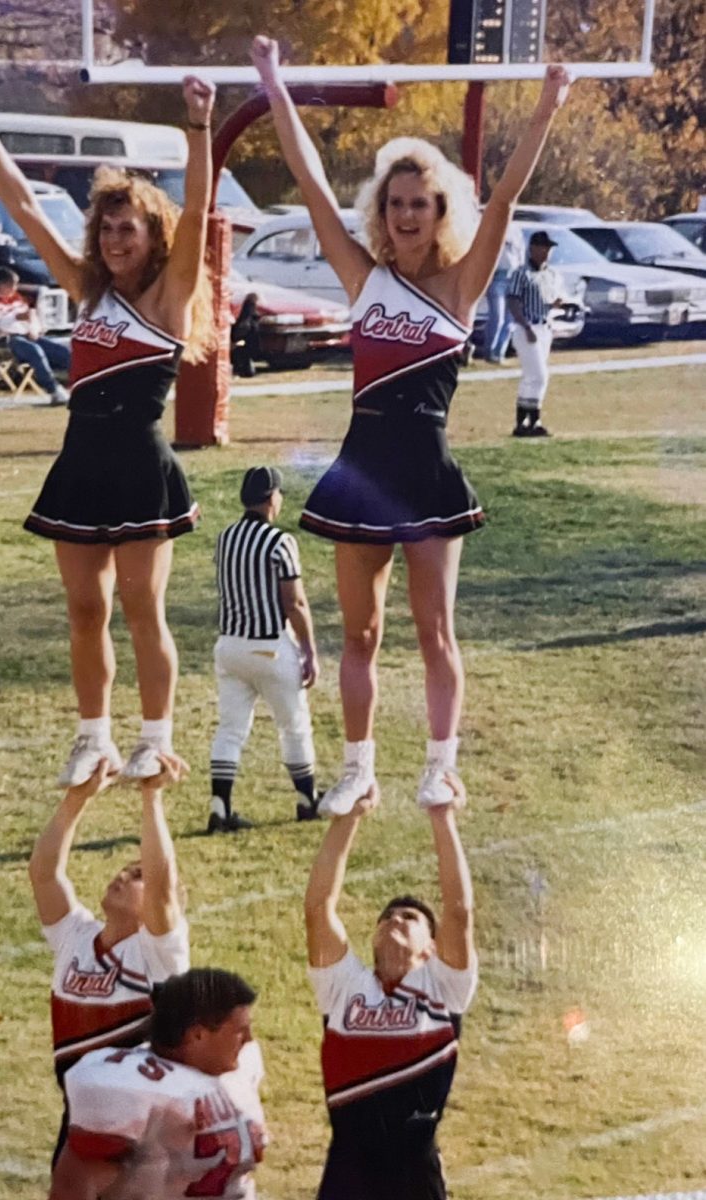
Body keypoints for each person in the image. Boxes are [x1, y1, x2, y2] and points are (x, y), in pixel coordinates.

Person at [250, 38, 571, 814]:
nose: (403, 217)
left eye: (418, 205)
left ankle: (440, 763)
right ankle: (358, 767)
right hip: (361, 471)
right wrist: (271, 83)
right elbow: (310, 181)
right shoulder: (362, 276)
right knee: (360, 637)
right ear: (382, 214)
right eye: (393, 205)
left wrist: (547, 105)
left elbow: (504, 202)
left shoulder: (461, 286)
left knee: (436, 634)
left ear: (438, 214)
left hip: (426, 470)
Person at [0, 73, 215, 787]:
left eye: (128, 226)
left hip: (140, 464)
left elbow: (200, 211)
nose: (114, 237)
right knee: (83, 607)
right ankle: (92, 738)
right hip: (80, 460)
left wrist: (199, 124)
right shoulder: (86, 289)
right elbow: (23, 203)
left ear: (153, 234)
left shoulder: (169, 297)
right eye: (106, 225)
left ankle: (154, 740)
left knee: (140, 607)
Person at [304, 774, 476, 1200]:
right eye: (387, 917)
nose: (395, 920)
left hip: (415, 1178)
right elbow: (317, 907)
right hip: (346, 1173)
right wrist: (348, 819)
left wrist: (442, 818)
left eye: (409, 918)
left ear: (431, 948)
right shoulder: (344, 987)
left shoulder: (443, 988)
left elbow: (458, 911)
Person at [28, 753, 190, 1165]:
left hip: (139, 1134)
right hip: (79, 1123)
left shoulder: (158, 955)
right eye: (122, 871)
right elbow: (44, 873)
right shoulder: (76, 937)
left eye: (134, 875)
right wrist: (75, 801)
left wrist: (151, 796)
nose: (121, 876)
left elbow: (162, 885)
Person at [51, 967, 267, 1199]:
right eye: (239, 1031)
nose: (249, 1039)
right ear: (198, 1035)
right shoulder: (129, 1086)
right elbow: (72, 1185)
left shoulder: (243, 1063)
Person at [209, 465, 320, 833]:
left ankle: (220, 808)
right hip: (269, 647)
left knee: (230, 729)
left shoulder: (225, 537)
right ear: (272, 498)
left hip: (229, 646)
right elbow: (294, 603)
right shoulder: (280, 542)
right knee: (294, 726)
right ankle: (307, 801)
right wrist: (309, 650)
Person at [0, 265, 70, 405]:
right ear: (2, 284)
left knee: (62, 352)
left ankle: (79, 385)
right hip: (7, 339)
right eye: (12, 285)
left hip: (28, 335)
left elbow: (30, 316)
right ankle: (54, 389)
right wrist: (16, 317)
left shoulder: (17, 298)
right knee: (35, 352)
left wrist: (35, 328)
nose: (15, 288)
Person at [506, 229, 567, 437]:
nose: (546, 252)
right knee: (539, 375)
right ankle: (531, 418)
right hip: (527, 327)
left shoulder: (551, 274)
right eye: (543, 248)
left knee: (532, 376)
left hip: (545, 326)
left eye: (549, 248)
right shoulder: (521, 273)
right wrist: (525, 325)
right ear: (532, 249)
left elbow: (549, 300)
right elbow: (513, 301)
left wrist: (556, 305)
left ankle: (526, 422)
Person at [482, 220, 524, 363]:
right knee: (497, 317)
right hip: (497, 276)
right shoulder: (492, 226)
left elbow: (520, 253)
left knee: (509, 319)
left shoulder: (515, 229)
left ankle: (500, 353)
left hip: (513, 276)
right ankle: (489, 352)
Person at [230, 292, 261, 378]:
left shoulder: (245, 316)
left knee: (242, 355)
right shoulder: (252, 318)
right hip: (243, 342)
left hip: (241, 342)